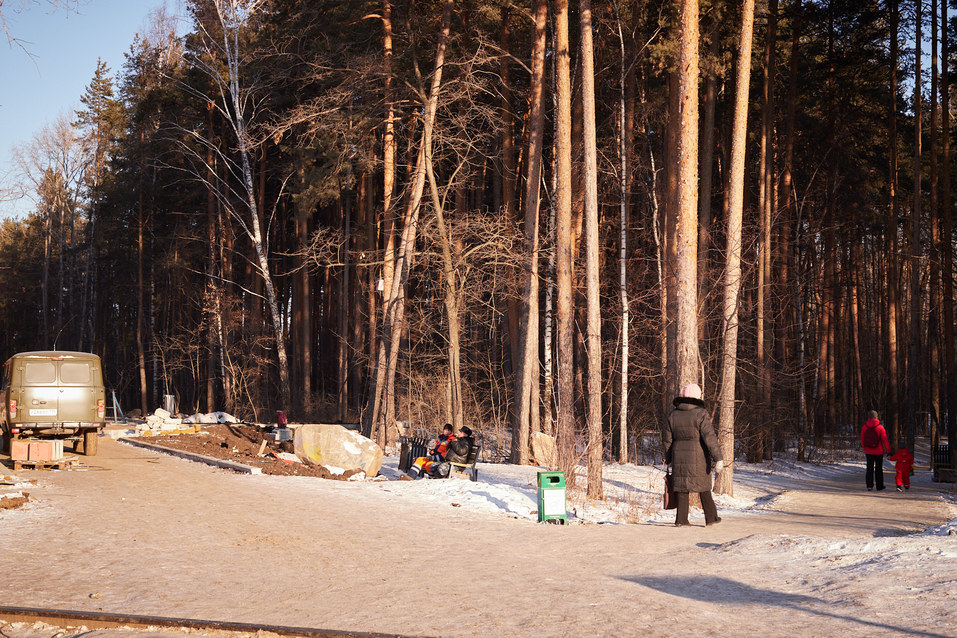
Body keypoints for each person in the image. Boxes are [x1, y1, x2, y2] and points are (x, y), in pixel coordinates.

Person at [662, 383, 725, 527]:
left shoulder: (673, 414)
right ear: (697, 397)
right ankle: (711, 519)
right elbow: (709, 437)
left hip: (679, 455)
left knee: (682, 487)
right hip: (699, 455)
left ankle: (681, 520)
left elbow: (667, 439)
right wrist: (718, 458)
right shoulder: (701, 413)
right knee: (703, 487)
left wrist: (668, 456)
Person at [861, 410, 891, 491]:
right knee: (878, 469)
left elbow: (862, 439)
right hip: (878, 451)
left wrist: (865, 448)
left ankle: (869, 485)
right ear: (876, 416)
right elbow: (885, 440)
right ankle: (879, 486)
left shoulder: (864, 427)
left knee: (869, 468)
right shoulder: (880, 427)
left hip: (868, 451)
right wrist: (889, 450)